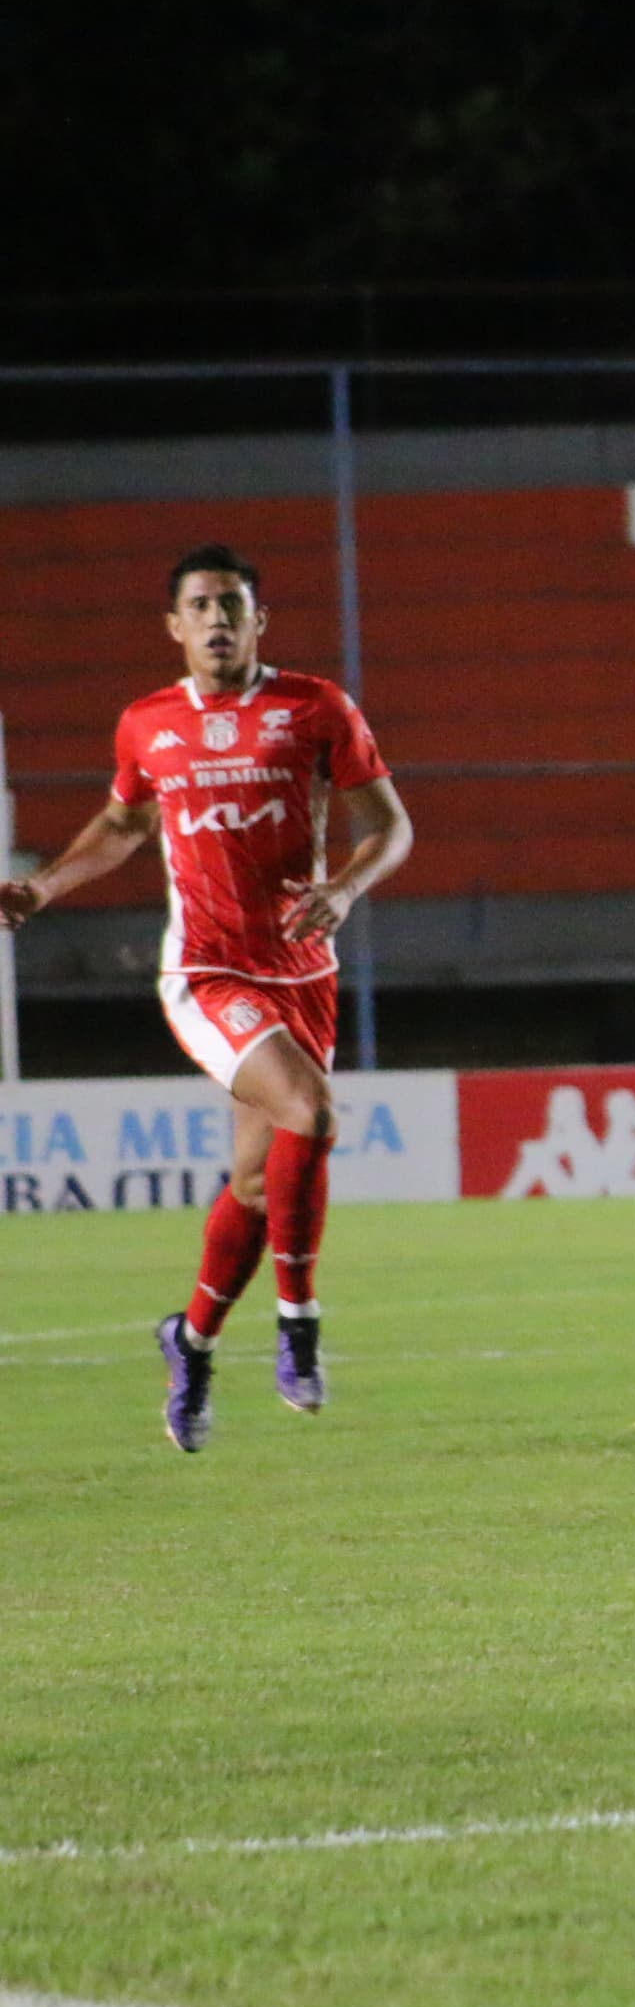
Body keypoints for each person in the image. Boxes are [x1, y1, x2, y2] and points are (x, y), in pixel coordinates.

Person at [0, 545, 413, 1450]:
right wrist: (44, 888)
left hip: (302, 973)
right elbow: (122, 824)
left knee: (258, 1184)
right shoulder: (148, 724)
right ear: (175, 627)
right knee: (311, 1111)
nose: (218, 618)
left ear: (259, 619)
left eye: (233, 603)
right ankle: (299, 1327)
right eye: (201, 605)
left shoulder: (314, 709)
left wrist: (341, 890)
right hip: (205, 972)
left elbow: (390, 825)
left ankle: (187, 1341)